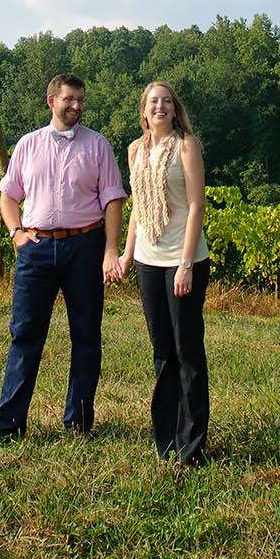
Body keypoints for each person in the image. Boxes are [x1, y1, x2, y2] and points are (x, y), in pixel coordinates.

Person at [0, 73, 126, 444]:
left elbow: (113, 199)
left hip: (85, 247)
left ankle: (78, 424)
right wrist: (17, 234)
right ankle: (7, 426)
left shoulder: (98, 146)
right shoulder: (28, 145)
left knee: (86, 336)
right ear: (51, 101)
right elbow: (8, 195)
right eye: (69, 99)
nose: (76, 106)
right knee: (24, 336)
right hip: (36, 249)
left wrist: (110, 250)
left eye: (80, 100)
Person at [116, 80, 211, 467]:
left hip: (182, 261)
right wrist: (126, 254)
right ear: (144, 110)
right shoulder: (135, 150)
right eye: (154, 101)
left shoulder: (186, 145)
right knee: (161, 351)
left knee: (186, 350)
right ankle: (166, 438)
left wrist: (186, 264)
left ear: (174, 110)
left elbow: (196, 205)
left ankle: (192, 445)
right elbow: (139, 205)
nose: (160, 107)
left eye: (166, 101)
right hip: (147, 261)